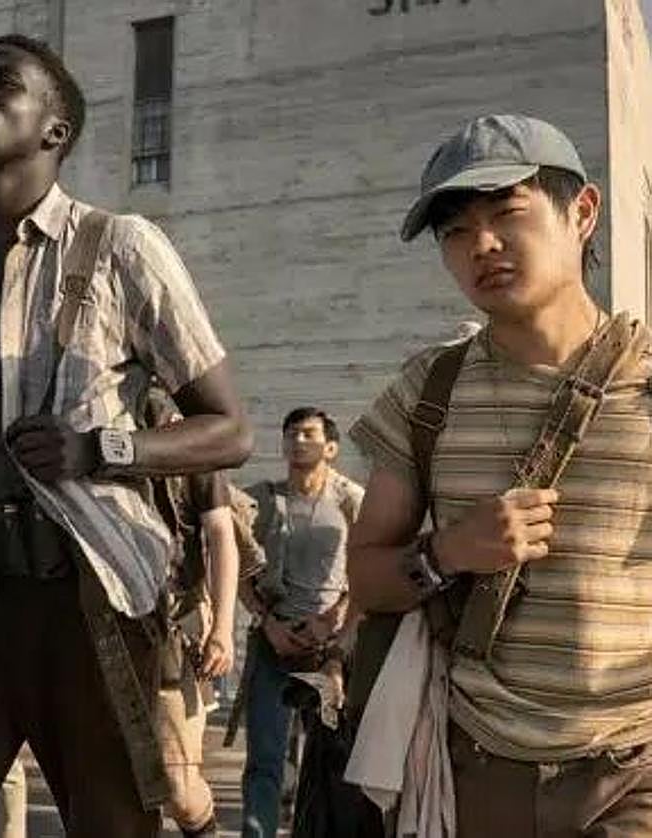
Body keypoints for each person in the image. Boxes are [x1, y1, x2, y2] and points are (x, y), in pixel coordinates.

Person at [0, 33, 251, 837]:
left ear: (55, 130)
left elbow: (230, 430)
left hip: (88, 599)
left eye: (2, 85)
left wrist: (100, 450)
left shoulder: (121, 248)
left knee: (114, 823)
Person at [348, 114, 652, 833]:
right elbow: (365, 576)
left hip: (635, 768)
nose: (481, 245)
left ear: (582, 212)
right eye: (455, 232)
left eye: (507, 214)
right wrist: (450, 551)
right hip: (479, 770)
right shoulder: (426, 391)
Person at [240, 407, 363, 838]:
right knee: (265, 760)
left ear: (331, 448)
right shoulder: (260, 499)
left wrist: (335, 624)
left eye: (309, 434)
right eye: (291, 433)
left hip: (327, 654)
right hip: (273, 646)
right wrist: (265, 621)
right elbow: (233, 563)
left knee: (331, 757)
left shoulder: (351, 500)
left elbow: (369, 573)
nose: (298, 441)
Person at [144, 387, 240, 837]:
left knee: (179, 786)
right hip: (101, 627)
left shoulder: (189, 439)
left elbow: (221, 534)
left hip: (173, 625)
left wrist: (223, 627)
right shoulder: (85, 429)